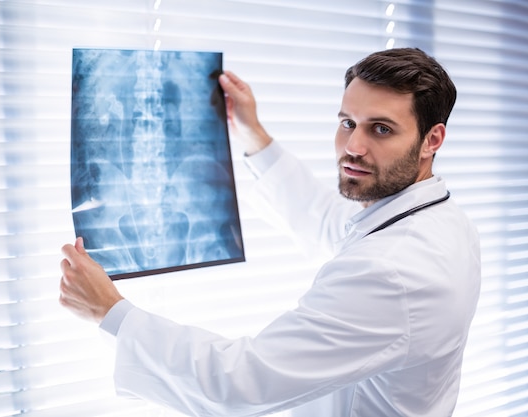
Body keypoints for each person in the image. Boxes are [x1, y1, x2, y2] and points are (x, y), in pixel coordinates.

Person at [60, 47, 481, 416]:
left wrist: (111, 312)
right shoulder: (437, 220)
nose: (353, 147)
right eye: (348, 122)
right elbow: (325, 222)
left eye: (381, 129)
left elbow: (239, 384)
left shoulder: (396, 270)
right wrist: (252, 132)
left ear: (432, 139)